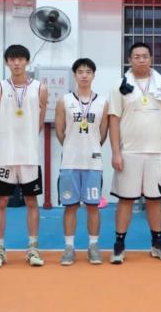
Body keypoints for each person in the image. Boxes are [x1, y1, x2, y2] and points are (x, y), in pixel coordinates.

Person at [108, 42, 161, 264]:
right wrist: (116, 152)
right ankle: (119, 245)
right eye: (136, 56)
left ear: (151, 59)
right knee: (126, 200)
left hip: (157, 152)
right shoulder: (120, 85)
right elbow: (114, 120)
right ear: (130, 60)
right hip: (129, 152)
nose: (141, 60)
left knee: (154, 200)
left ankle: (157, 243)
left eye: (145, 56)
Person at [0, 45, 48, 269]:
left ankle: (33, 248)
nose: (17, 63)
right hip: (5, 156)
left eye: (21, 59)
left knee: (32, 201)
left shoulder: (40, 88)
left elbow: (39, 121)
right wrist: (8, 140)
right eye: (12, 59)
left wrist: (27, 140)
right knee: (1, 201)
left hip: (29, 156)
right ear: (6, 62)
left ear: (27, 61)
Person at [55, 58, 108, 266]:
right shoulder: (64, 100)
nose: (84, 75)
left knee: (93, 206)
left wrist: (91, 147)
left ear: (93, 75)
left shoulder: (103, 102)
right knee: (70, 206)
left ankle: (93, 246)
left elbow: (102, 134)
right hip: (69, 162)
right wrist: (72, 147)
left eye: (88, 72)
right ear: (75, 75)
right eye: (80, 72)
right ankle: (69, 248)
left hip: (93, 163)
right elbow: (60, 131)